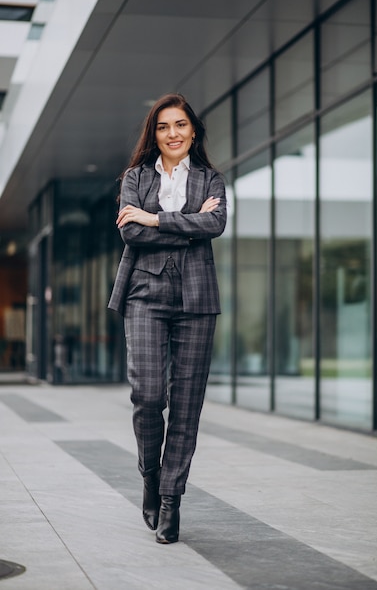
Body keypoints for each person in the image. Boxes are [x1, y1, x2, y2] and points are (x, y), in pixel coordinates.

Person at [108, 93, 227, 544]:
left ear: (193, 131)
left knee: (187, 406)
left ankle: (172, 501)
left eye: (180, 125)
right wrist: (187, 222)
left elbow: (215, 226)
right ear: (153, 134)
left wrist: (157, 221)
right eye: (163, 126)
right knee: (148, 395)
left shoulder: (211, 179)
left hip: (197, 299)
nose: (172, 133)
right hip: (144, 294)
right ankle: (151, 476)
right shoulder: (135, 177)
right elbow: (129, 230)